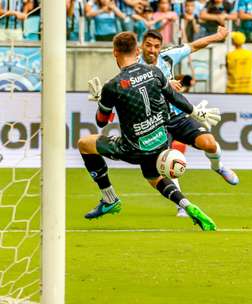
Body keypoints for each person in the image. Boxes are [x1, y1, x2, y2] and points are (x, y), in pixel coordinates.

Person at [79, 31, 222, 231]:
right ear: (137, 51)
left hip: (134, 147)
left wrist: (101, 101)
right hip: (161, 139)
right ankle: (186, 205)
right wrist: (196, 112)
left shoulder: (113, 86)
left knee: (85, 145)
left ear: (115, 53)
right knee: (153, 178)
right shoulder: (155, 72)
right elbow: (174, 97)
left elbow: (102, 122)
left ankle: (109, 199)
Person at [139, 28, 239, 217]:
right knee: (165, 162)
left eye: (156, 46)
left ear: (160, 47)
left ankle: (218, 167)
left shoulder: (167, 57)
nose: (152, 50)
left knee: (209, 144)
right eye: (148, 45)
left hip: (178, 116)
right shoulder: (135, 66)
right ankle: (181, 205)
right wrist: (166, 86)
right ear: (141, 46)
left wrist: (217, 36)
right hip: (155, 122)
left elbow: (194, 46)